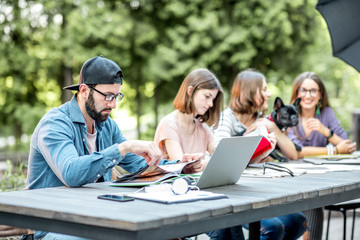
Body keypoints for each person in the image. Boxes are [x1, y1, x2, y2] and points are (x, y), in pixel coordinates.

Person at [25, 56, 198, 240]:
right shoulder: (55, 124)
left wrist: (179, 167)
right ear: (84, 90)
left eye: (117, 96)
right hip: (54, 227)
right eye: (108, 96)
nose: (113, 104)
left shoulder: (107, 126)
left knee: (168, 232)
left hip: (97, 219)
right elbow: (71, 173)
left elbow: (142, 166)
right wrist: (123, 148)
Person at [154, 68, 277, 240]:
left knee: (230, 220)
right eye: (207, 96)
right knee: (224, 225)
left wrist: (264, 150)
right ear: (190, 91)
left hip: (199, 196)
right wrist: (204, 163)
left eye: (213, 99)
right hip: (175, 200)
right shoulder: (169, 124)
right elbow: (179, 166)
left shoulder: (202, 128)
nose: (211, 104)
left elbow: (227, 159)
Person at [213, 69, 307, 240]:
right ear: (248, 92)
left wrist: (271, 127)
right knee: (274, 228)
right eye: (263, 89)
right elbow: (219, 151)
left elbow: (293, 154)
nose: (268, 94)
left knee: (298, 221)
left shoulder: (262, 120)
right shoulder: (227, 118)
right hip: (231, 195)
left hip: (258, 191)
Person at [286, 71, 356, 240]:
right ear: (296, 93)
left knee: (313, 198)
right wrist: (333, 150)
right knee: (311, 200)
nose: (308, 95)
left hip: (317, 178)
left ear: (320, 95)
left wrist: (325, 131)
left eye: (313, 91)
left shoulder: (326, 114)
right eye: (304, 90)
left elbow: (346, 145)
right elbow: (297, 151)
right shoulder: (288, 115)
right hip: (291, 178)